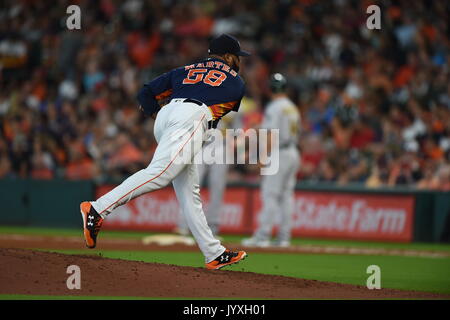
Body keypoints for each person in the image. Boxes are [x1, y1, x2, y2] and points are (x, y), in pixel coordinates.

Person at [80, 34, 250, 270]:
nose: (239, 62)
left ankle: (213, 252)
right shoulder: (236, 81)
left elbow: (145, 93)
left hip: (166, 115)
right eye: (237, 57)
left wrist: (159, 115)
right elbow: (214, 114)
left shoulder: (184, 69)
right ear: (229, 56)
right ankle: (97, 208)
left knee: (189, 193)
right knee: (161, 173)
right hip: (192, 117)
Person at [242, 73, 301, 247]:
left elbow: (271, 135)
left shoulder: (274, 107)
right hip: (292, 152)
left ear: (271, 89)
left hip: (279, 153)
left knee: (270, 194)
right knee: (286, 196)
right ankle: (284, 237)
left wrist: (263, 157)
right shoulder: (292, 107)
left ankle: (262, 236)